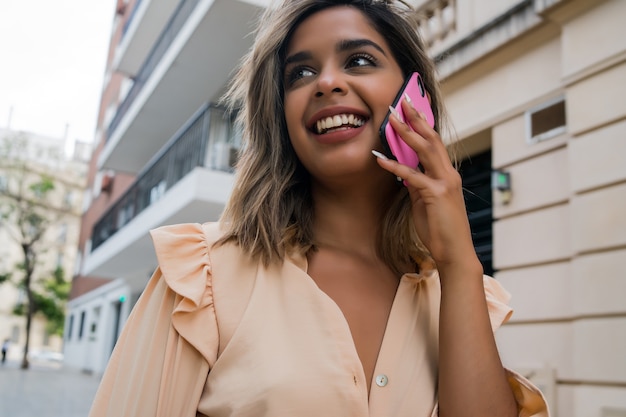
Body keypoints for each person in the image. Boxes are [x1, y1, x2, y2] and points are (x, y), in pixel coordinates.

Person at [89, 1, 549, 416]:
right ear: (281, 116)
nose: (327, 82)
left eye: (360, 60)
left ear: (414, 96)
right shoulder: (201, 279)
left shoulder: (459, 295)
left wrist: (460, 263)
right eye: (300, 74)